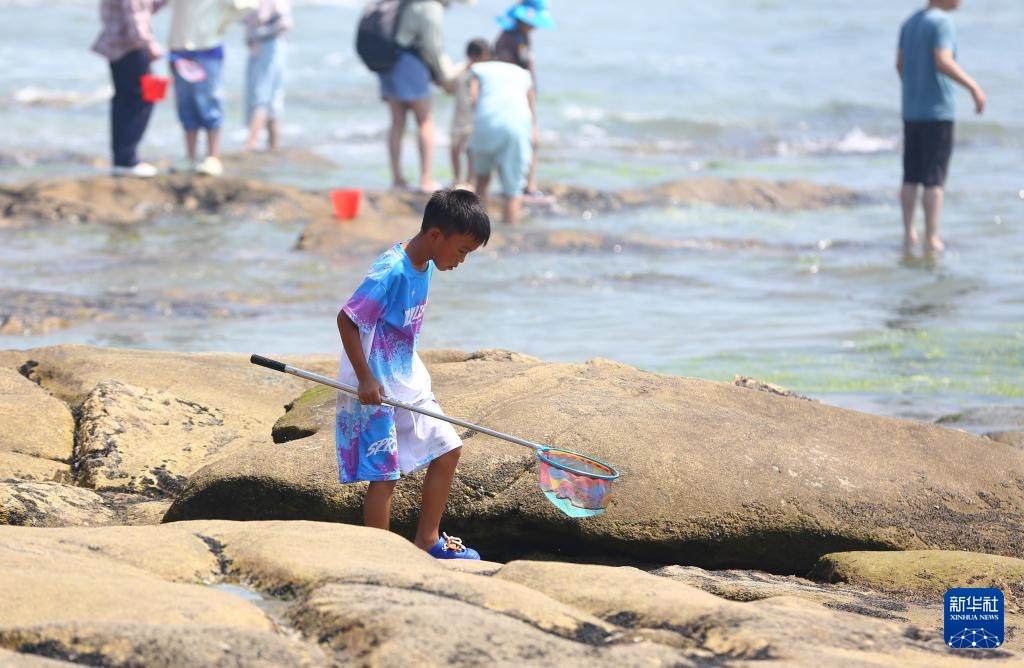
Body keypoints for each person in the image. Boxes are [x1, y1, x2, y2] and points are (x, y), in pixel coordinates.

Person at [335, 188, 490, 560]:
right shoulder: (391, 271)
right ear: (437, 236)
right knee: (385, 475)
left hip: (407, 379)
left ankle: (428, 541)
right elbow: (347, 319)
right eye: (462, 251)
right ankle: (381, 556)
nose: (461, 261)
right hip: (374, 386)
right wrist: (365, 378)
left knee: (448, 448)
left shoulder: (426, 263)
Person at [896, 0, 985, 253]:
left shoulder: (910, 22)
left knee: (910, 175)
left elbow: (900, 65)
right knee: (934, 178)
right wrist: (973, 87)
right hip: (937, 112)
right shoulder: (942, 22)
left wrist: (915, 89)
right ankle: (932, 237)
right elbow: (942, 60)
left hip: (911, 111)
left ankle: (908, 235)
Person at [167, 0, 257, 176]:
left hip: (207, 47)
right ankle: (190, 157)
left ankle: (213, 157)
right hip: (178, 48)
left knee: (209, 101)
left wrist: (222, 21)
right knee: (185, 103)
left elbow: (249, 4)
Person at [380, 0, 458, 193]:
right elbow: (433, 46)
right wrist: (444, 77)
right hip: (409, 62)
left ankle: (397, 180)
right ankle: (426, 179)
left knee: (397, 122)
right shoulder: (430, 6)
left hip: (388, 61)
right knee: (425, 120)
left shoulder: (404, 3)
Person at [92, 0, 166, 178]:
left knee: (124, 101)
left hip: (118, 46)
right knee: (143, 99)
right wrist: (150, 45)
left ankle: (122, 159)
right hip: (131, 48)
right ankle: (127, 160)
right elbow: (135, 17)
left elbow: (144, 9)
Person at [494, 0, 553, 199]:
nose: (535, 26)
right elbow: (506, 74)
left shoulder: (523, 37)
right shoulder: (507, 39)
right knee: (522, 140)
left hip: (524, 95)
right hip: (513, 98)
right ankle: (518, 186)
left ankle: (529, 184)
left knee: (532, 140)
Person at [469, 54, 536, 224]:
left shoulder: (480, 69)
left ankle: (476, 230)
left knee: (482, 180)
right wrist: (535, 129)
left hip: (486, 123)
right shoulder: (523, 73)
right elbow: (531, 106)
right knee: (513, 189)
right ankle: (510, 232)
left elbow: (473, 98)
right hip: (516, 126)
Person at [243, 0, 291, 151]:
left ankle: (251, 143)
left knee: (261, 96)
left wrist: (257, 33)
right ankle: (273, 146)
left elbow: (285, 23)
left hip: (268, 47)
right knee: (272, 98)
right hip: (269, 46)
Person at [449, 38, 489, 187]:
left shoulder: (482, 72)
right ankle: (457, 178)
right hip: (462, 115)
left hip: (473, 117)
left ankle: (469, 179)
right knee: (456, 147)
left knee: (470, 149)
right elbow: (450, 85)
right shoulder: (462, 69)